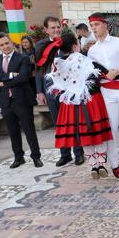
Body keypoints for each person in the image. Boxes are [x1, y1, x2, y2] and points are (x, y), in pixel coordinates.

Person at [42, 33, 113, 179]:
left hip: (72, 104)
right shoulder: (87, 61)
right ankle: (101, 163)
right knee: (98, 133)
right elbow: (105, 73)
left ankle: (93, 165)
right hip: (92, 101)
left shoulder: (58, 64)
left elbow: (56, 86)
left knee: (84, 136)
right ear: (76, 46)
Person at [87, 12, 119, 179]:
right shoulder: (92, 50)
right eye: (92, 26)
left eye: (96, 24)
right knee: (112, 128)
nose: (94, 28)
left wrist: (117, 71)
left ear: (105, 25)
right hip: (106, 92)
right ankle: (114, 163)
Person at [35, 15, 85, 167]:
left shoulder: (68, 42)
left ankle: (78, 153)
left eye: (58, 27)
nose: (56, 30)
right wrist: (40, 91)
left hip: (68, 89)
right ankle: (65, 154)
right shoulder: (40, 45)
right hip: (50, 90)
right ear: (46, 30)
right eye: (53, 28)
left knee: (73, 121)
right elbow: (39, 69)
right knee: (59, 123)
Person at [0, 33, 42, 168]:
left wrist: (3, 82)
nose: (5, 46)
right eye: (1, 45)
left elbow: (23, 77)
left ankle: (36, 157)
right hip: (5, 101)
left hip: (22, 100)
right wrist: (11, 75)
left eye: (7, 43)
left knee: (29, 130)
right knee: (12, 131)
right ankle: (19, 157)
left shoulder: (23, 58)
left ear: (11, 42)